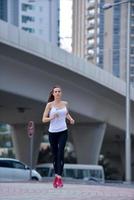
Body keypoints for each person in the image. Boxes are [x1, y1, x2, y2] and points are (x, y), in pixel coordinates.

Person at [42, 85, 75, 188]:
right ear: (53, 93)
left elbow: (66, 113)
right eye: (55, 91)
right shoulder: (49, 105)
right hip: (52, 133)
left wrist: (71, 119)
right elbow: (43, 119)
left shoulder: (65, 103)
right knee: (55, 155)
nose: (57, 93)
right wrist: (51, 117)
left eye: (59, 91)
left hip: (63, 131)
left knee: (61, 153)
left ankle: (59, 178)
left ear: (61, 93)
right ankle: (56, 177)